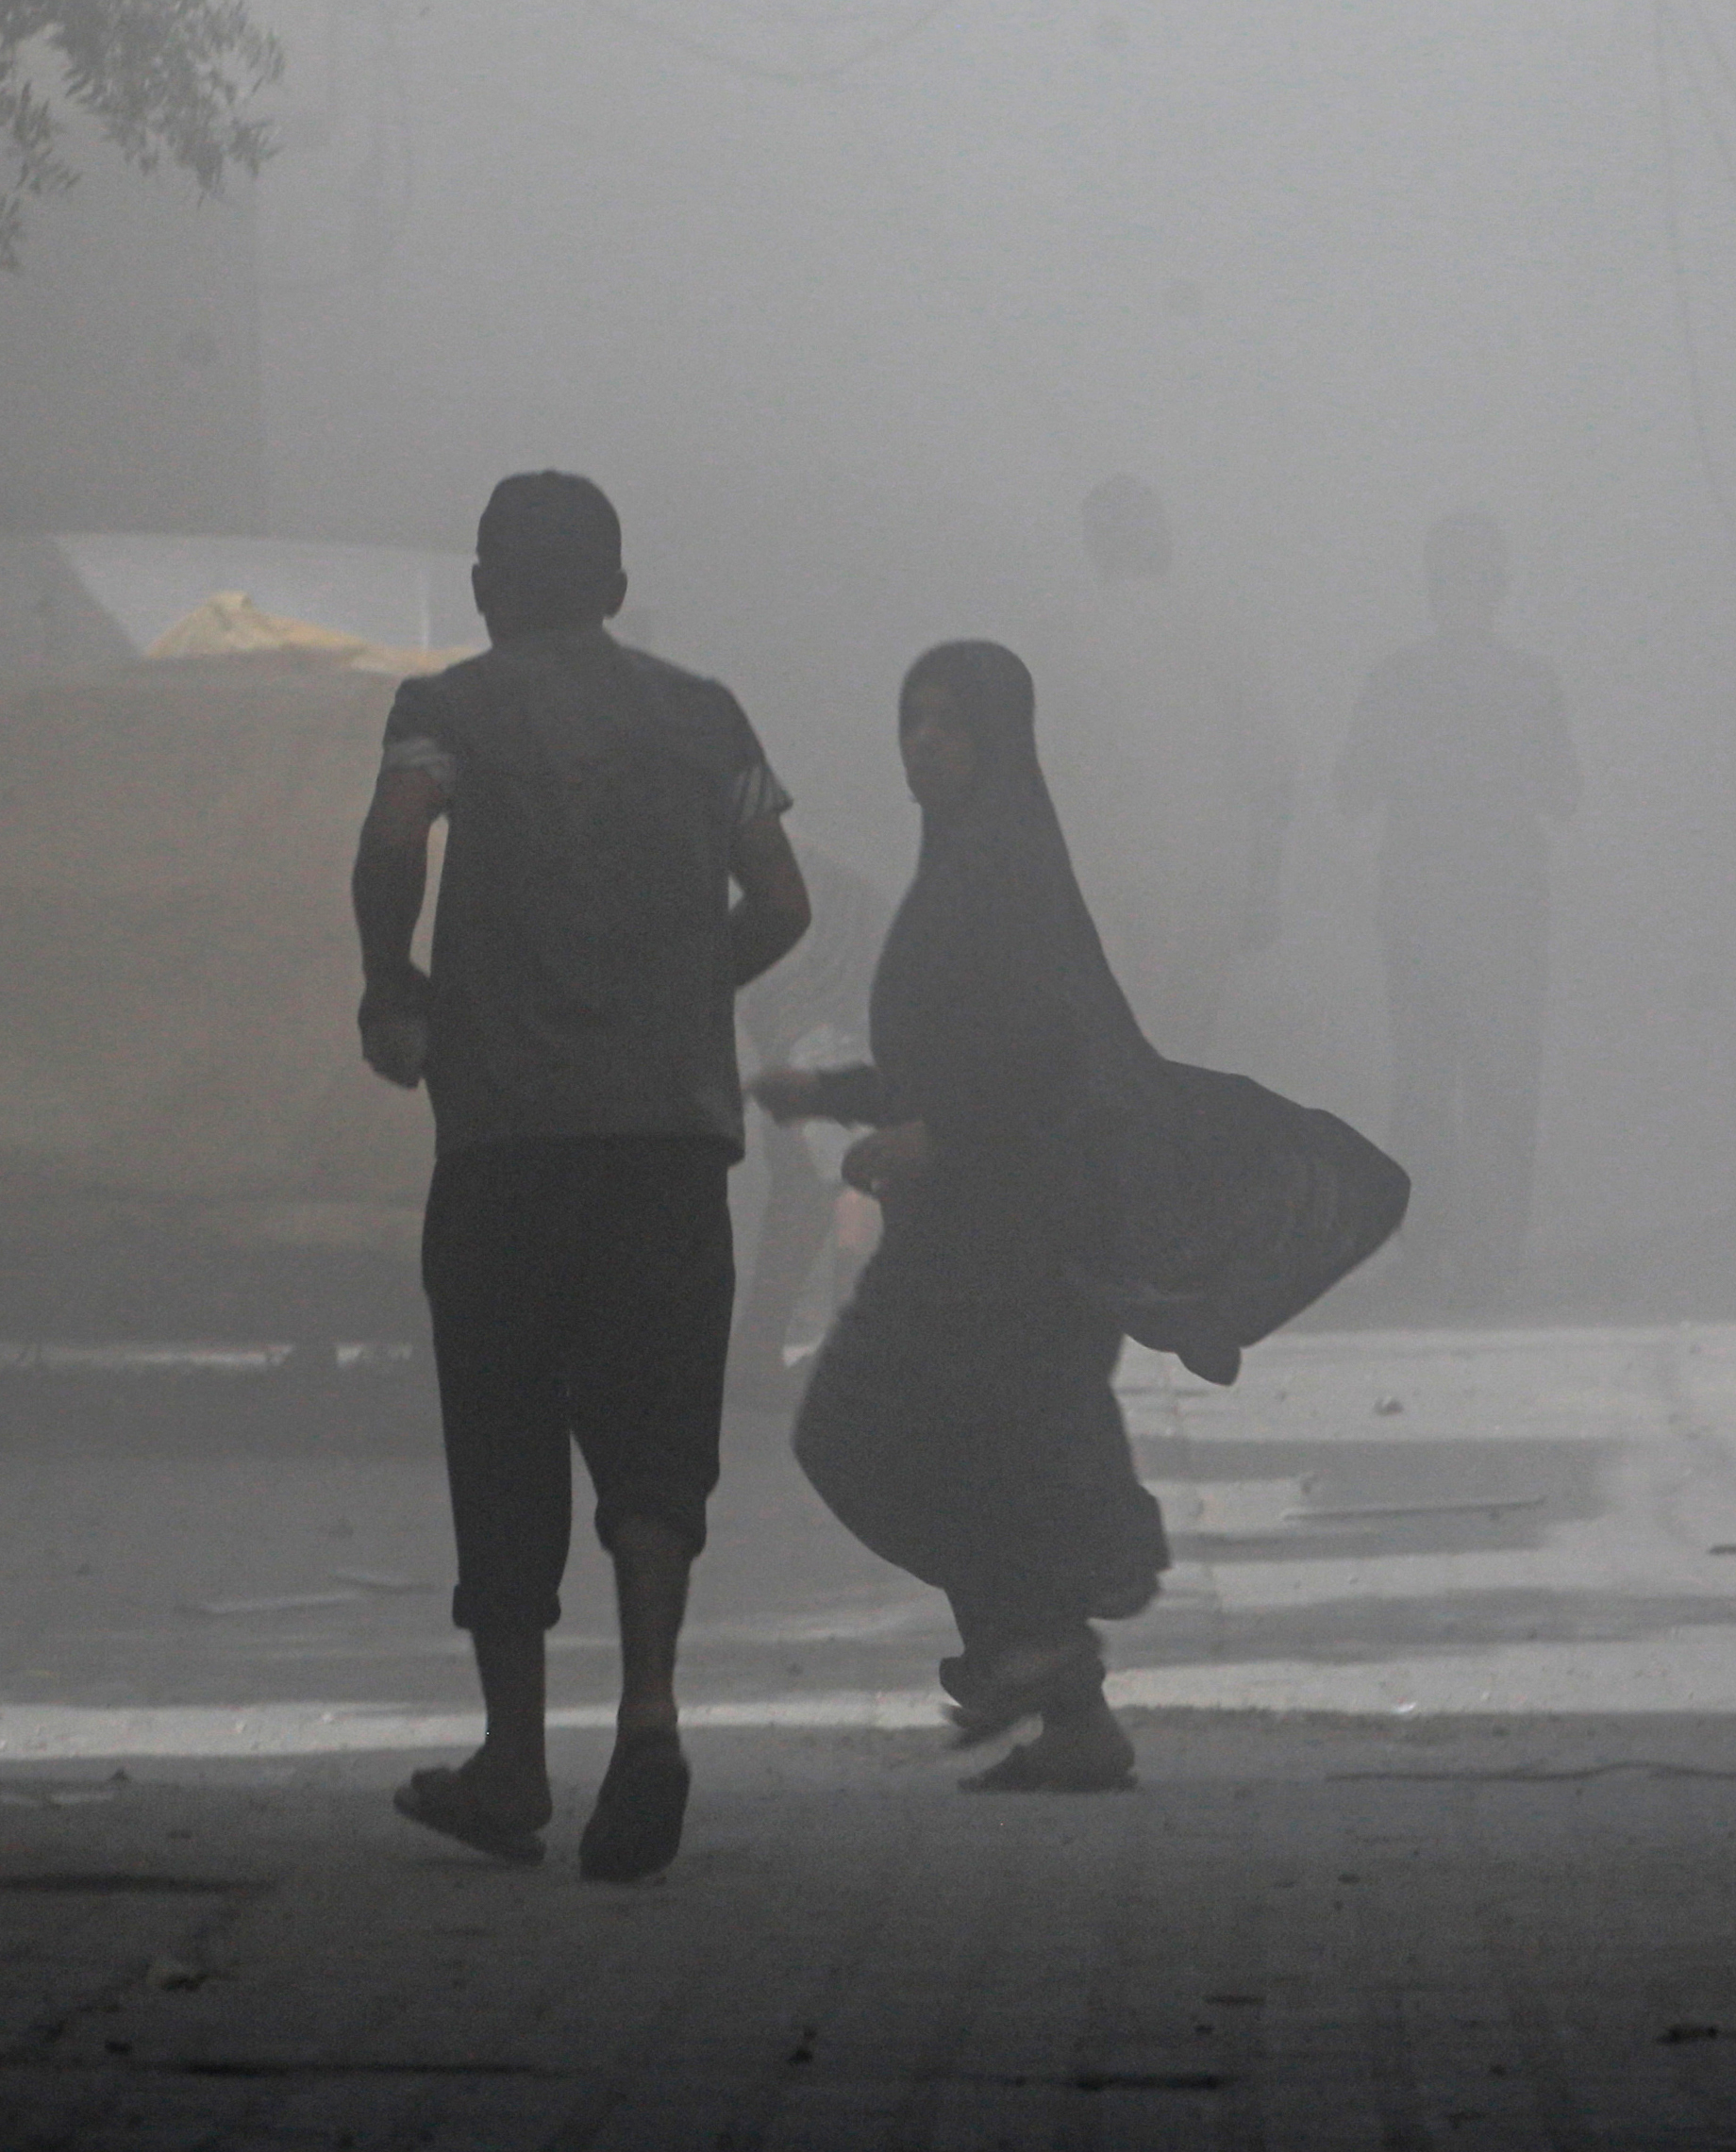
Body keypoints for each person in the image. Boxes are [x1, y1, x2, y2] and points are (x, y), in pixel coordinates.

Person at [352, 471, 810, 1882]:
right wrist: (678, 993)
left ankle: (510, 1760)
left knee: (502, 1429)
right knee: (656, 1432)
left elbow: (390, 841)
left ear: (488, 589)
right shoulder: (705, 714)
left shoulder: (447, 709)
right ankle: (653, 1715)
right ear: (617, 591)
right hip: (668, 1140)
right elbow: (782, 903)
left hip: (504, 1142)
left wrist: (396, 991)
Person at [756, 641, 1173, 1795]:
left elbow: (1045, 1055)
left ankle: (1035, 1643)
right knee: (972, 1460)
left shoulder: (1004, 871)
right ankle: (1067, 1706)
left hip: (1006, 1241)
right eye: (913, 720)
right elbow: (947, 1060)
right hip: (962, 1234)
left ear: (999, 740)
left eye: (951, 723)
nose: (926, 742)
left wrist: (941, 1139)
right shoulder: (960, 864)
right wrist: (835, 1097)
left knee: (850, 1433)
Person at [1336, 510, 1578, 1312]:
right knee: (1500, 1081)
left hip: (1421, 911)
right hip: (1504, 909)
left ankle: (1428, 1249)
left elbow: (1351, 787)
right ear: (1498, 591)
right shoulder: (1533, 684)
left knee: (1425, 1083)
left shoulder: (1396, 681)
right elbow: (1566, 795)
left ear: (1435, 592)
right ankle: (1493, 1253)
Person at [1050, 474, 1292, 1059]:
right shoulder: (1218, 626)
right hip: (1206, 874)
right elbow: (1270, 764)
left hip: (1108, 876)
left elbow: (1057, 766)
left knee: (1115, 1051)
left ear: (1095, 542)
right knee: (1185, 1053)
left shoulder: (1072, 630)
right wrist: (1262, 880)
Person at [728, 842, 893, 1404]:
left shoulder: (759, 883)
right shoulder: (819, 875)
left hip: (821, 1019)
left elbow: (853, 1184)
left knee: (840, 1173)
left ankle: (848, 1353)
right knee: (808, 1180)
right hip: (827, 1019)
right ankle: (770, 1347)